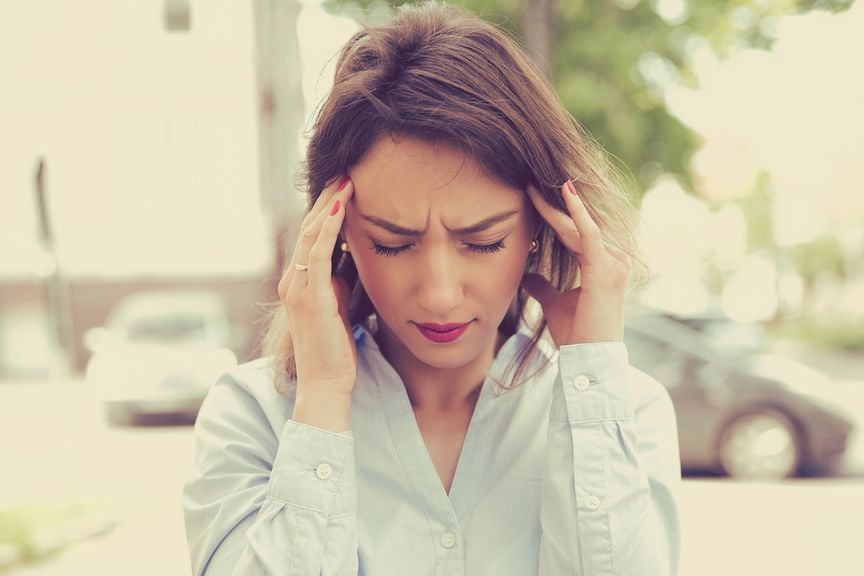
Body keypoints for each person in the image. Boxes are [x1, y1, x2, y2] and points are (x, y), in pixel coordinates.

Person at [183, 2, 681, 574]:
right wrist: (321, 396)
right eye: (394, 244)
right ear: (336, 233)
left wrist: (592, 377)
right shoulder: (254, 417)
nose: (440, 294)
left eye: (483, 241)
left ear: (544, 231)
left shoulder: (626, 415)